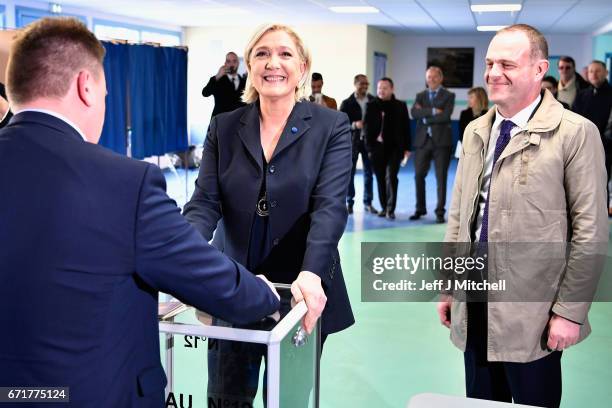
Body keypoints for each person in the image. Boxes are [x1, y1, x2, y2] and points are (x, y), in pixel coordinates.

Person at [0, 18, 280, 407]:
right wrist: (264, 293)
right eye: (105, 94)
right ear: (85, 86)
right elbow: (202, 275)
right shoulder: (124, 183)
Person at [183, 23, 354, 406]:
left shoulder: (331, 126)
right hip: (234, 284)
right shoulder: (224, 127)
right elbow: (204, 202)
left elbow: (329, 206)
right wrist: (188, 263)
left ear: (303, 66)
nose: (272, 63)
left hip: (301, 288)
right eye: (261, 54)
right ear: (249, 64)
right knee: (226, 398)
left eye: (284, 54)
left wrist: (311, 273)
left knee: (288, 398)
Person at [441, 24, 607, 408]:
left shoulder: (575, 133)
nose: (493, 73)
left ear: (538, 70)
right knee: (481, 401)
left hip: (536, 311)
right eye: (489, 63)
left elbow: (591, 231)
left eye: (507, 64)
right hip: (476, 296)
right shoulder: (475, 131)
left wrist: (570, 312)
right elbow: (461, 213)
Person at [410, 66, 455, 223]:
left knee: (441, 178)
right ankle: (420, 209)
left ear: (440, 78)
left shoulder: (449, 95)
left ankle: (440, 212)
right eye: (429, 77)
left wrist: (425, 116)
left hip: (442, 143)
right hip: (422, 142)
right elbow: (414, 113)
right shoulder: (420, 95)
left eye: (435, 77)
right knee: (418, 176)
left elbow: (446, 116)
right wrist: (434, 111)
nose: (432, 80)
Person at [364, 77, 411, 220]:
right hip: (377, 148)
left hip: (395, 148)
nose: (381, 90)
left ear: (392, 89)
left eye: (385, 88)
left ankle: (391, 209)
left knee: (391, 176)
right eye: (379, 88)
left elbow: (406, 128)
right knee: (379, 178)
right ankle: (384, 207)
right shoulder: (371, 105)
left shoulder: (400, 105)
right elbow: (366, 128)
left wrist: (407, 148)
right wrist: (370, 148)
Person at [573, 60, 612, 213]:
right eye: (590, 71)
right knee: (582, 186)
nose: (594, 74)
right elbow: (574, 120)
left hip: (605, 149)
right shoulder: (582, 95)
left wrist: (599, 142)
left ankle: (601, 219)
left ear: (606, 73)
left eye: (598, 71)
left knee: (601, 185)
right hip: (582, 147)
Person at [340, 74, 377, 214]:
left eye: (366, 83)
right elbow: (341, 126)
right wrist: (354, 125)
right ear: (355, 84)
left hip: (369, 142)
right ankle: (349, 202)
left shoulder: (373, 101)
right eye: (362, 83)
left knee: (369, 173)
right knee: (350, 173)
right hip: (352, 143)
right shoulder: (346, 103)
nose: (365, 86)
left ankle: (368, 202)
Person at [202, 51, 247, 118]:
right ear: (225, 64)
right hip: (220, 122)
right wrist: (217, 76)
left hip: (239, 123)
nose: (232, 64)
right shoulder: (218, 80)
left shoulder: (245, 82)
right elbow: (205, 93)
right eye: (228, 61)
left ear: (238, 63)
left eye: (234, 61)